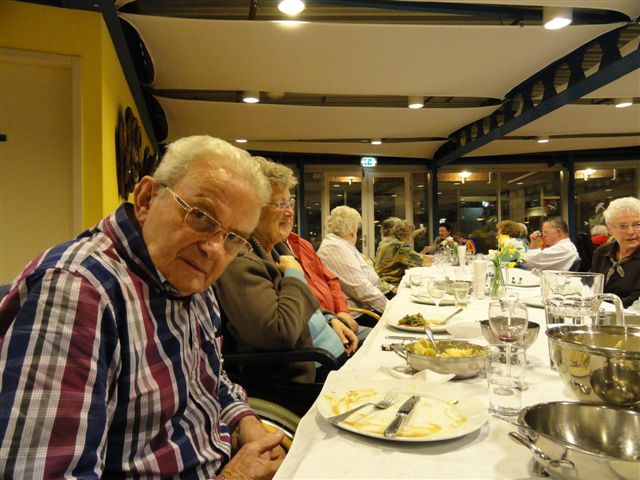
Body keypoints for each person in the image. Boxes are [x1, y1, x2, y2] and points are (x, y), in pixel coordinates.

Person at [0, 136, 286, 479]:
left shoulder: (189, 278)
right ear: (147, 199)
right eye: (201, 216)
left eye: (233, 238)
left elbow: (213, 380)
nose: (213, 248)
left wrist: (245, 421)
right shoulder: (77, 292)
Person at [214, 158, 357, 385]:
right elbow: (279, 332)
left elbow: (304, 301)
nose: (289, 212)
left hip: (335, 355)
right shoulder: (238, 261)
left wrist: (330, 319)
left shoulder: (276, 249)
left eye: (289, 203)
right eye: (280, 204)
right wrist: (294, 274)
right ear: (250, 209)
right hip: (310, 377)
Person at [285, 231, 372, 342]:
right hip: (317, 329)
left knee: (380, 339)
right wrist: (330, 319)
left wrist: (342, 311)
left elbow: (331, 279)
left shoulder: (303, 244)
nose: (288, 214)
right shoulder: (270, 253)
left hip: (336, 318)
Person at [317, 206, 388, 314]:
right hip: (358, 314)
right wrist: (390, 308)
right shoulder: (335, 248)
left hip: (367, 306)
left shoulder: (342, 244)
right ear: (353, 230)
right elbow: (361, 289)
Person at [591, 197, 640, 308]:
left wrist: (599, 305)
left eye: (637, 224)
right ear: (609, 229)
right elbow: (593, 287)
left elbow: (636, 302)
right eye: (622, 226)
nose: (630, 232)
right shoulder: (602, 252)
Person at [374, 220, 424, 286]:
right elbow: (420, 261)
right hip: (391, 284)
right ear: (408, 236)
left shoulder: (384, 243)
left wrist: (418, 231)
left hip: (379, 283)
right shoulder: (400, 247)